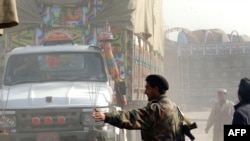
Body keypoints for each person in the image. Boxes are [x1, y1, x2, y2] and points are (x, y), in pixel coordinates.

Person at [92, 74, 184, 141]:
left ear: (156, 89)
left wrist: (106, 116)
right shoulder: (175, 108)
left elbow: (133, 117)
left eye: (147, 88)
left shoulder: (157, 109)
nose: (145, 92)